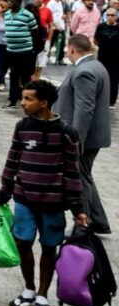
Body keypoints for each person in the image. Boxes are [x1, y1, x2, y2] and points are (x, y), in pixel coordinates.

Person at [0, 80, 86, 306]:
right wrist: (3, 194)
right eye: (22, 98)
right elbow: (12, 161)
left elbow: (73, 172)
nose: (22, 103)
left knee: (49, 246)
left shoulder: (67, 133)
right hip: (24, 198)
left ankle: (43, 294)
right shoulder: (22, 127)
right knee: (23, 243)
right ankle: (29, 288)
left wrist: (78, 208)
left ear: (43, 103)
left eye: (28, 99)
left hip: (53, 202)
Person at [53, 34, 112, 234]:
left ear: (71, 49)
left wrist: (76, 140)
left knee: (79, 179)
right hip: (93, 136)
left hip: (84, 138)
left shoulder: (84, 71)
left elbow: (84, 109)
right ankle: (98, 221)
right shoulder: (96, 66)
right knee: (84, 176)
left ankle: (83, 225)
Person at [3, 0, 39, 108]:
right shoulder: (7, 14)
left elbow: (35, 32)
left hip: (25, 51)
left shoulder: (27, 15)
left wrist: (33, 50)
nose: (9, 3)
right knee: (13, 75)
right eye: (8, 0)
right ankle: (12, 99)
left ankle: (28, 99)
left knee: (25, 77)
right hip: (11, 51)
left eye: (12, 1)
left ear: (18, 2)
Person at [95, 8, 119, 108]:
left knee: (114, 79)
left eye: (112, 15)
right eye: (108, 15)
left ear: (116, 16)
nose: (110, 17)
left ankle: (112, 100)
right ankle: (99, 98)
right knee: (101, 78)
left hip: (116, 58)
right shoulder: (101, 27)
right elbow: (96, 39)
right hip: (103, 57)